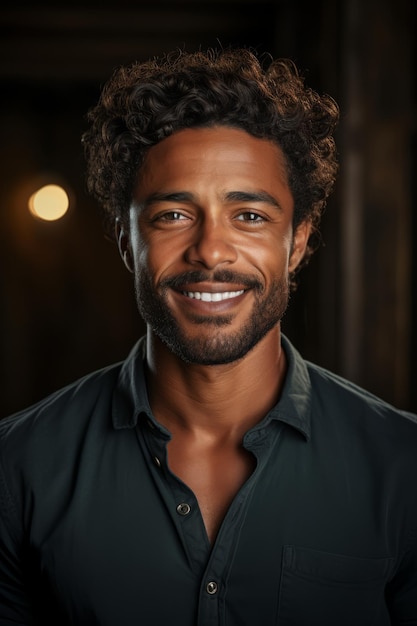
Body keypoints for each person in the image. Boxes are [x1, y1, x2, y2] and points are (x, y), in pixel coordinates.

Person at [0, 47, 416, 626]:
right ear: (127, 241)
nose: (211, 251)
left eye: (249, 216)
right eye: (173, 215)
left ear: (296, 243)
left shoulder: (402, 466)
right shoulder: (17, 468)